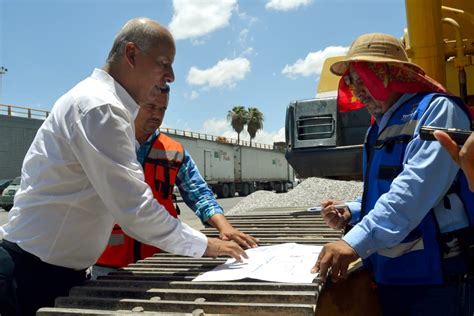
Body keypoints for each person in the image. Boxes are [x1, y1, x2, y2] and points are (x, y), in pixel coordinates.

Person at [0, 17, 247, 316]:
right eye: (164, 63)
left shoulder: (103, 105)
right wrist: (208, 246)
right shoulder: (101, 108)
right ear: (131, 55)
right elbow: (136, 211)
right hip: (31, 274)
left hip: (53, 270)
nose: (171, 76)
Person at [311, 33, 474, 315]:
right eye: (351, 82)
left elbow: (416, 189)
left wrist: (353, 241)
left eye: (362, 80)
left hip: (439, 281)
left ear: (390, 74)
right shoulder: (380, 126)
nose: (356, 90)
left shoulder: (437, 111)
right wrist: (353, 212)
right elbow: (386, 191)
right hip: (395, 277)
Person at [93, 86, 259, 277]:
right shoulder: (107, 144)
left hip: (159, 259)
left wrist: (225, 227)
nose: (156, 115)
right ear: (133, 105)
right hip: (110, 262)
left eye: (162, 109)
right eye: (150, 107)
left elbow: (199, 194)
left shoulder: (175, 151)